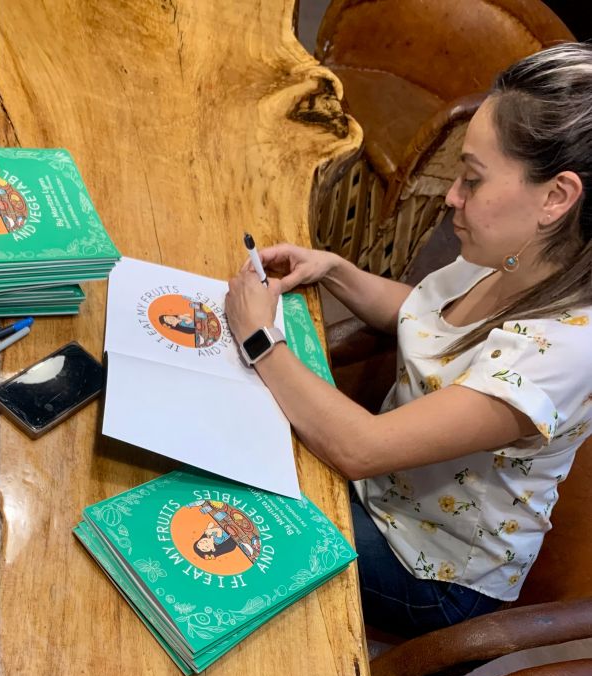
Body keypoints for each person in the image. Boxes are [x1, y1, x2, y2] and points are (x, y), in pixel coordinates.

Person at [225, 43, 592, 637]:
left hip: (427, 569)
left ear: (555, 197)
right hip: (379, 489)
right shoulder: (515, 254)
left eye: (472, 180)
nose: (452, 197)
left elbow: (360, 448)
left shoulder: (564, 352)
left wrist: (261, 340)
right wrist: (335, 270)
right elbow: (428, 319)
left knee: (232, 507)